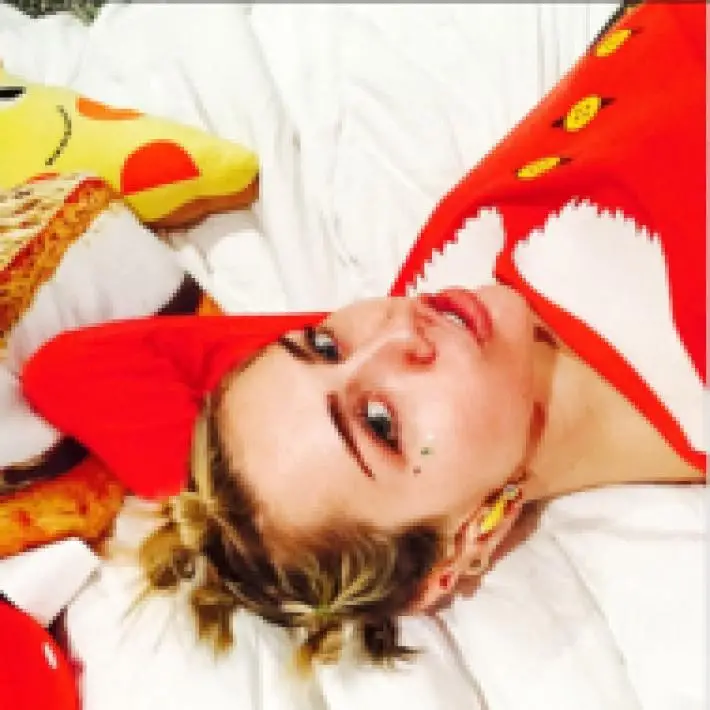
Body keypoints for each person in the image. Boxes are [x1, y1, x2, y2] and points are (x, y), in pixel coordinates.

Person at [19, 1, 706, 672]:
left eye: (323, 345)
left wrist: (226, 522)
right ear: (467, 542)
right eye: (380, 424)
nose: (394, 335)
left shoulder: (449, 297)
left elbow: (71, 370)